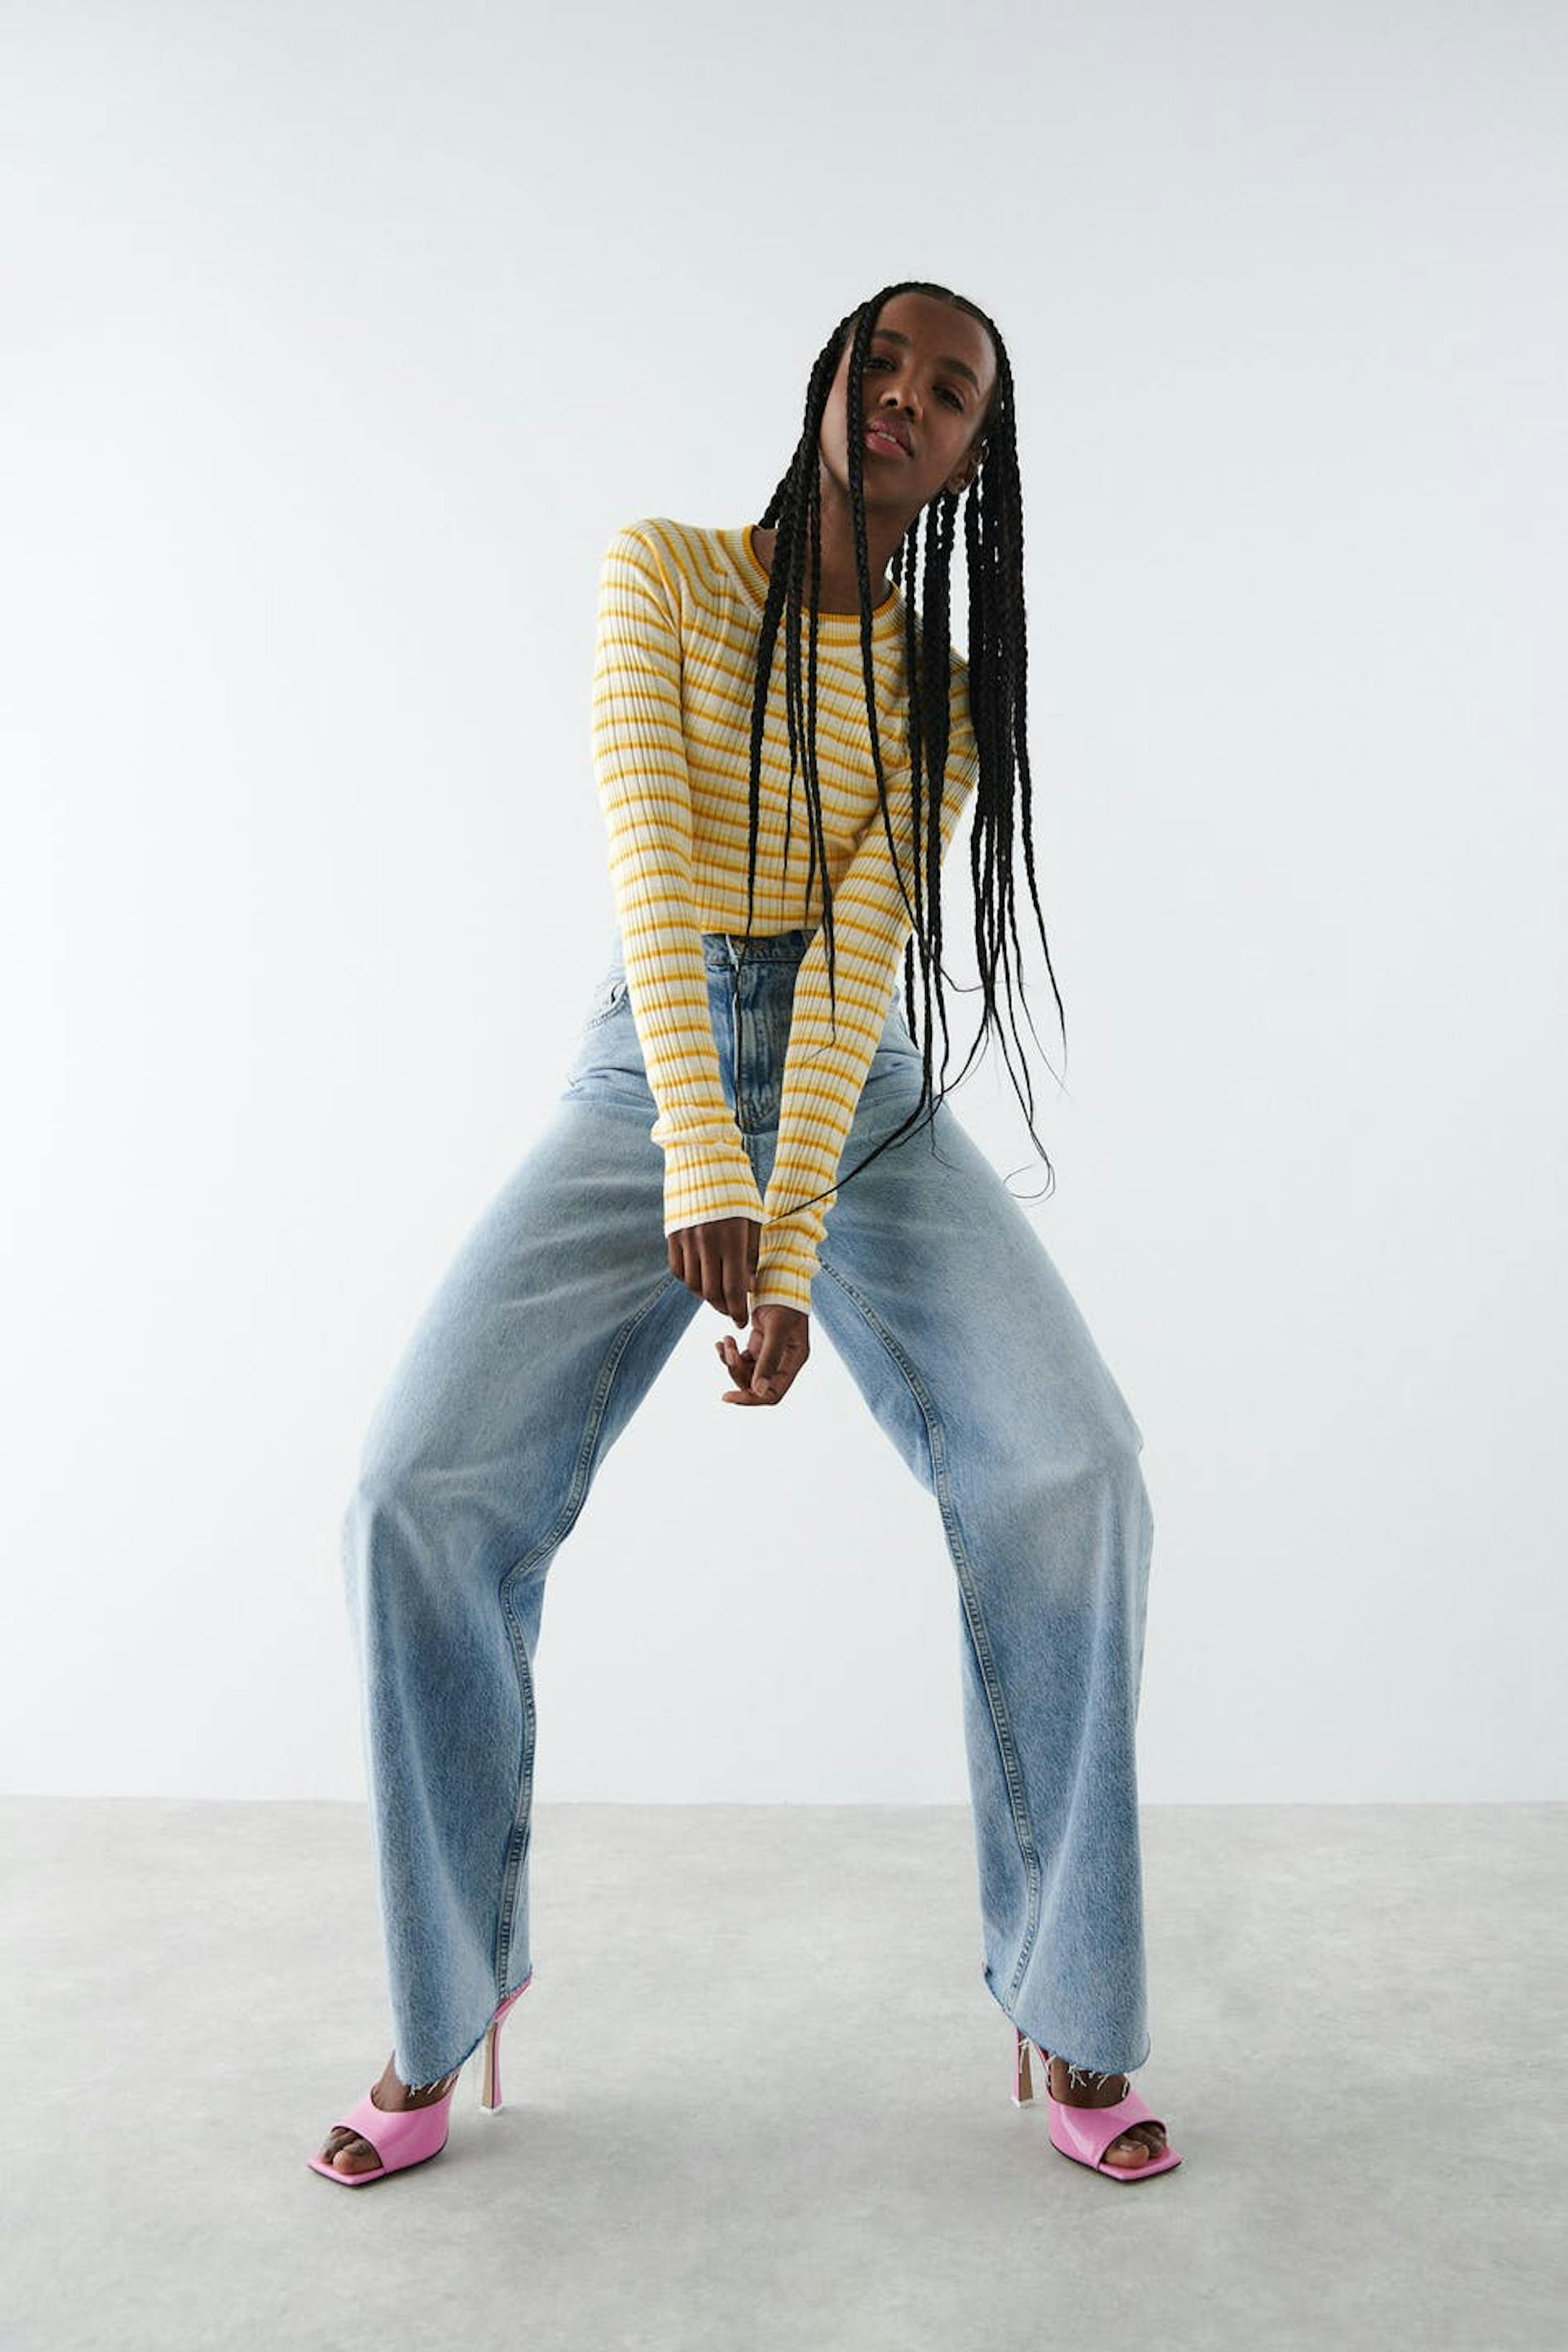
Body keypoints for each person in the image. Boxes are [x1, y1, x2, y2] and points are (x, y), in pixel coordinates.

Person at [309, 280, 1182, 2189]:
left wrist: (786, 1250)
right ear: (830, 379)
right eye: (886, 363)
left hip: (854, 1091)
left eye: (951, 394)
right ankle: (442, 2002)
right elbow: (652, 862)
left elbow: (859, 957)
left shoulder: (942, 695)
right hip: (654, 1057)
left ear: (975, 459)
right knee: (415, 1489)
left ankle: (1072, 1999)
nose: (907, 400)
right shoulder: (667, 572)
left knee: (1076, 1468)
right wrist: (703, 1161)